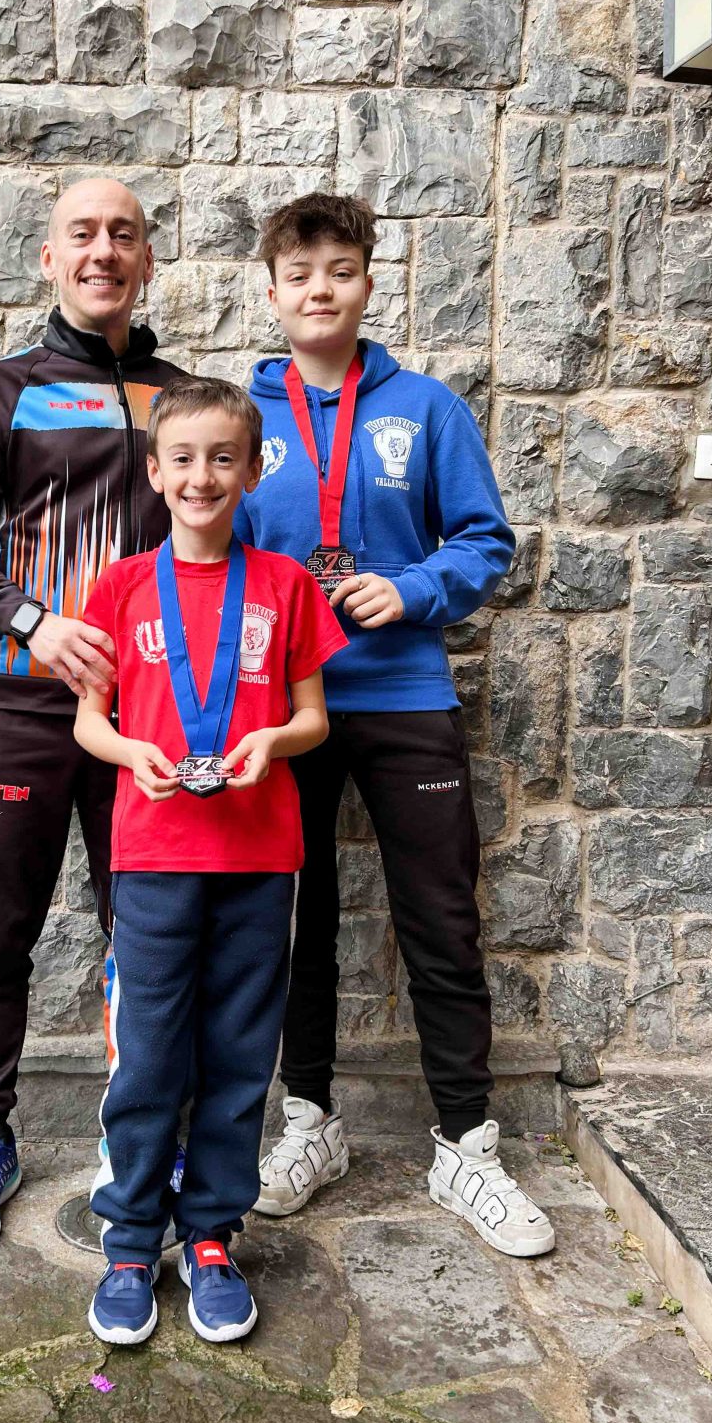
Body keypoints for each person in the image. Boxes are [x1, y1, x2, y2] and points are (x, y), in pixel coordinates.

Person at [242, 192, 555, 1258]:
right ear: (272, 292)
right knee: (297, 923)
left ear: (368, 283)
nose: (319, 289)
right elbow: (211, 551)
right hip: (287, 710)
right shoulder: (243, 418)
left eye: (340, 269)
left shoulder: (427, 410)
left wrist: (415, 589)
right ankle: (308, 1122)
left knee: (439, 918)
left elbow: (484, 540)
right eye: (300, 273)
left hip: (404, 694)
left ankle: (467, 1143)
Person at [0, 178, 188, 1249]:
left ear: (147, 260)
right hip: (23, 711)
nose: (103, 251)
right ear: (48, 257)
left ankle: (147, 1141)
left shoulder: (181, 398)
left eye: (123, 234)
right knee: (0, 939)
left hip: (147, 719)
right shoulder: (1, 391)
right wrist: (34, 622)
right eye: (83, 233)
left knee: (151, 939)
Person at [74, 377, 347, 1345]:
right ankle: (129, 1239)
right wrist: (133, 755)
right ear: (154, 473)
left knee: (238, 1056)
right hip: (152, 857)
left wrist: (272, 743)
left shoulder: (286, 586)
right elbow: (90, 722)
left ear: (253, 469)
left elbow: (313, 716)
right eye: (183, 459)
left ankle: (213, 1235)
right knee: (148, 1053)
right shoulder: (118, 589)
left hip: (261, 858)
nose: (202, 477)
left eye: (223, 459)